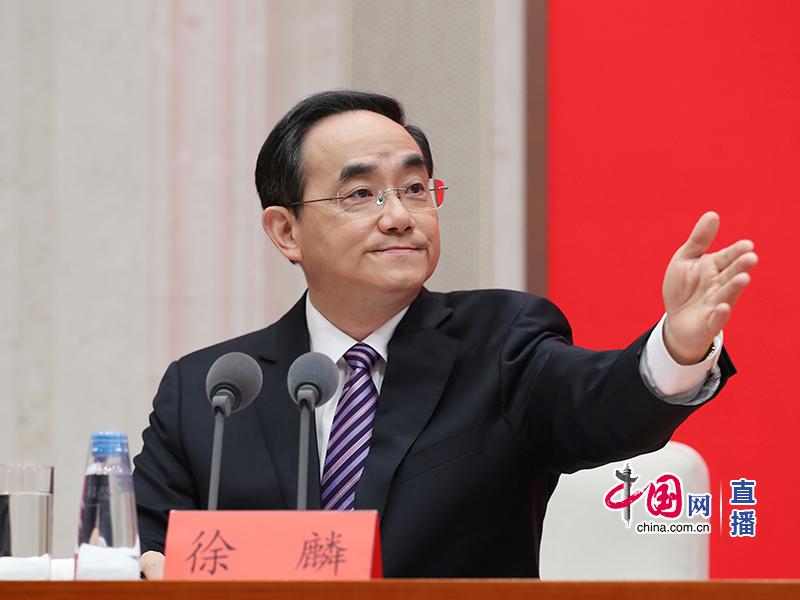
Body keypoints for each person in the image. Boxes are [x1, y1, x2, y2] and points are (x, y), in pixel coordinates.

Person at [133, 90, 756, 579]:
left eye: (414, 189)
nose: (400, 216)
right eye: (361, 194)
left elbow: (601, 407)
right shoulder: (211, 391)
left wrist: (676, 348)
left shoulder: (503, 342)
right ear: (286, 231)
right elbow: (141, 547)